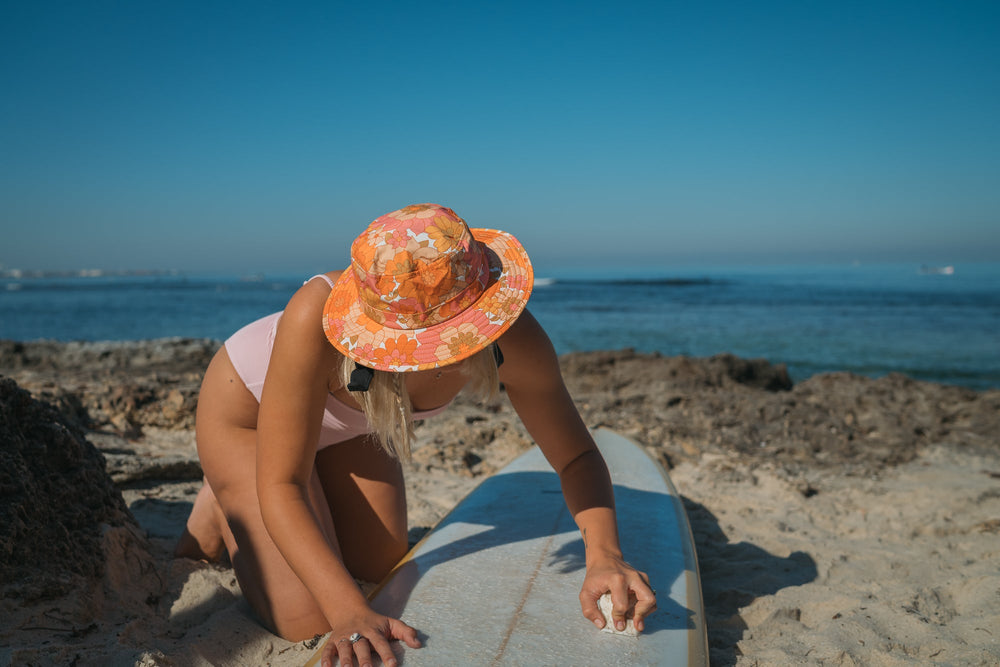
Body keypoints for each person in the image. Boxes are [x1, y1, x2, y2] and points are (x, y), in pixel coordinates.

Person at [175, 203, 657, 667]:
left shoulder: (510, 337)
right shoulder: (314, 319)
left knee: (381, 567)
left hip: (348, 430)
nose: (445, 350)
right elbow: (282, 484)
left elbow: (575, 457)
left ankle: (288, 478)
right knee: (311, 618)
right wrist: (347, 615)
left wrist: (605, 556)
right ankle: (222, 496)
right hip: (250, 420)